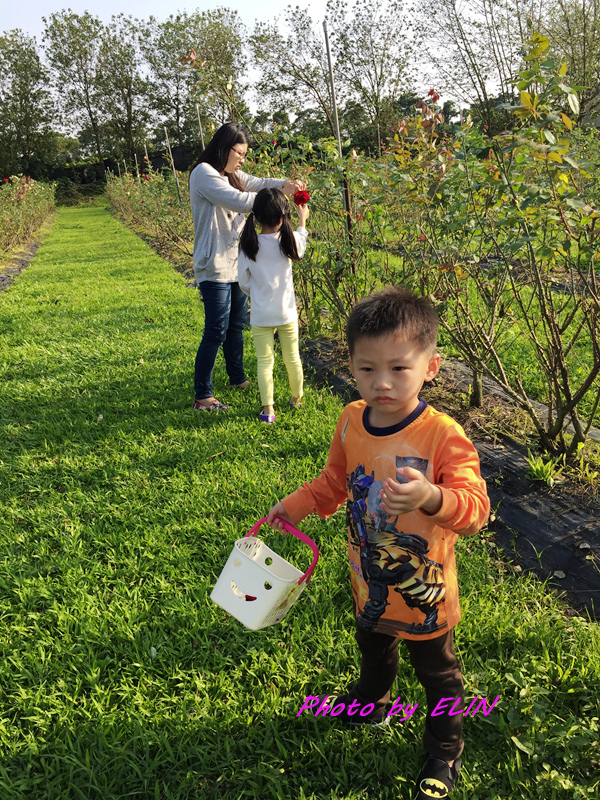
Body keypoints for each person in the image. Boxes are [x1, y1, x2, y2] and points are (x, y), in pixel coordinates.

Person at [266, 286, 490, 800]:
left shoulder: (442, 436)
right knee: (373, 645)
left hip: (425, 590)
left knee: (438, 672)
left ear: (430, 367)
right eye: (367, 370)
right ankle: (372, 701)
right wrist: (296, 505)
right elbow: (334, 480)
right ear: (351, 365)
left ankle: (444, 747)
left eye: (399, 369)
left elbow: (475, 510)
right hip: (366, 576)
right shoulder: (351, 420)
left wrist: (432, 497)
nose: (382, 384)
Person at [189, 122, 305, 411]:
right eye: (239, 153)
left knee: (236, 326)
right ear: (223, 148)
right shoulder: (204, 173)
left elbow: (256, 182)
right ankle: (203, 395)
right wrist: (276, 201)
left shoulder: (232, 174)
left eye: (244, 154)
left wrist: (283, 185)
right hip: (214, 263)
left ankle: (237, 378)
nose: (242, 159)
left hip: (236, 262)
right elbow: (239, 200)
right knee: (216, 328)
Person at [237, 188, 309, 423]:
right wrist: (302, 220)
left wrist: (257, 294)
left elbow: (243, 281)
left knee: (264, 362)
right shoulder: (288, 241)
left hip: (260, 314)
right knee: (293, 358)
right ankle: (297, 400)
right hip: (286, 312)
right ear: (282, 217)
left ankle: (268, 410)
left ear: (256, 217)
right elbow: (302, 242)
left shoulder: (248, 244)